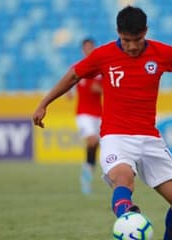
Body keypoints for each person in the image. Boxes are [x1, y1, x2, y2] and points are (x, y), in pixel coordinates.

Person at [33, 6, 172, 240]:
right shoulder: (103, 55)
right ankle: (128, 218)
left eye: (137, 39)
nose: (133, 46)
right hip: (116, 137)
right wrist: (44, 102)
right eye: (126, 40)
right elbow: (74, 74)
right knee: (123, 178)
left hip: (150, 138)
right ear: (118, 32)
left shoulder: (161, 53)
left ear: (145, 31)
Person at [74, 38, 102, 194]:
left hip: (99, 113)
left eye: (91, 47)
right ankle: (86, 175)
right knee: (92, 140)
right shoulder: (78, 68)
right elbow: (69, 82)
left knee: (96, 146)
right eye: (86, 47)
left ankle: (87, 174)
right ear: (83, 49)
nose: (89, 50)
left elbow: (107, 88)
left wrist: (101, 89)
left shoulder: (100, 69)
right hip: (83, 113)